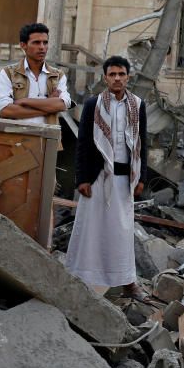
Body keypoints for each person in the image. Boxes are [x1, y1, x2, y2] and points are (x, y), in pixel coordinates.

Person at [66, 55, 149, 301]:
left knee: (122, 231)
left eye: (121, 74)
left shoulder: (137, 104)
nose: (117, 78)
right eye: (112, 74)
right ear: (105, 78)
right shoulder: (93, 104)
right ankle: (81, 278)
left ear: (128, 77)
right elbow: (82, 144)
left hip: (125, 179)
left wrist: (142, 177)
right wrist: (82, 179)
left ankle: (127, 283)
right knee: (91, 229)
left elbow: (143, 142)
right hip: (97, 177)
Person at [0, 23, 72, 126]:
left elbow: (63, 104)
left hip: (48, 138)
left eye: (45, 43)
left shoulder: (57, 75)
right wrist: (48, 106)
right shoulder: (9, 73)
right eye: (36, 42)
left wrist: (25, 101)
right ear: (23, 45)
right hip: (17, 137)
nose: (42, 47)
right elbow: (5, 110)